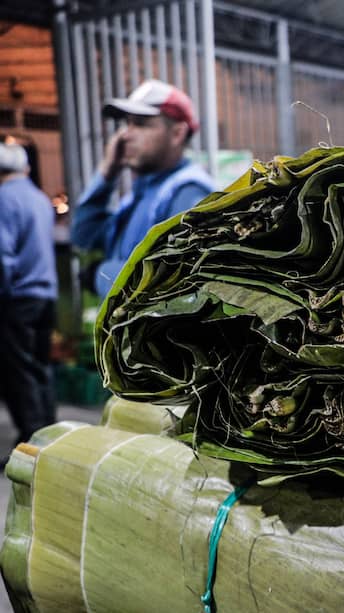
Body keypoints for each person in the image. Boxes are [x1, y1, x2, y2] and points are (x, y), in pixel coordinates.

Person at [71, 79, 214, 297]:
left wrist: (102, 275)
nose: (125, 134)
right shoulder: (142, 193)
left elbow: (174, 283)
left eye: (140, 124)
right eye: (127, 123)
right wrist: (107, 172)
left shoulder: (188, 191)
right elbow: (84, 235)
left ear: (177, 134)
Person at [0, 142, 58, 448]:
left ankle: (32, 442)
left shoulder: (4, 198)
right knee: (41, 366)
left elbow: (3, 255)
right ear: (26, 168)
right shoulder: (39, 198)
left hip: (18, 298)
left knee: (18, 371)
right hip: (46, 295)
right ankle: (51, 435)